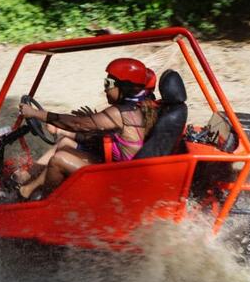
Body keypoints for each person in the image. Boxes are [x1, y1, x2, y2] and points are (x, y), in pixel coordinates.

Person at [17, 58, 157, 200]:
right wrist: (65, 129)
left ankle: (43, 205)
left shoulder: (121, 113)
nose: (105, 88)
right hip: (116, 169)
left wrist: (36, 114)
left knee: (58, 160)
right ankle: (26, 185)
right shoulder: (137, 108)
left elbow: (78, 124)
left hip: (119, 181)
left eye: (108, 84)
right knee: (65, 144)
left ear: (124, 86)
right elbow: (95, 132)